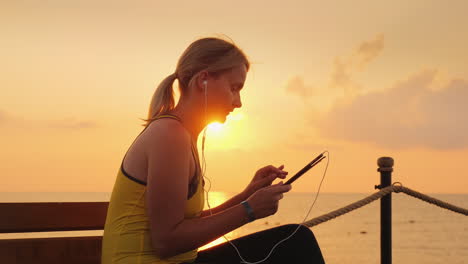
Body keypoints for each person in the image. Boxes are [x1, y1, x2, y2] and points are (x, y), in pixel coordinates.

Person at [101, 36, 325, 264]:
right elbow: (166, 241)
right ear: (203, 80)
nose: (238, 102)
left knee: (293, 241)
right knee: (296, 243)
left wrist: (245, 197)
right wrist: (249, 210)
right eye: (234, 88)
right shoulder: (169, 135)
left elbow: (185, 224)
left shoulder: (181, 135)